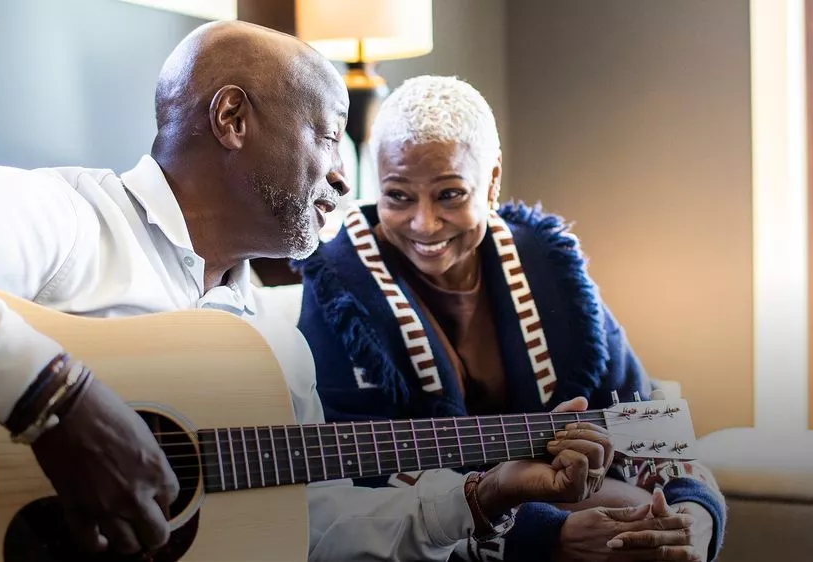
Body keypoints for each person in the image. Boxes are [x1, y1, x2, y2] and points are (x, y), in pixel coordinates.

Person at [0, 23, 627, 561]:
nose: (343, 174)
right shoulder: (77, 221)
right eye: (329, 136)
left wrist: (482, 494)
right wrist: (53, 402)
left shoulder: (272, 339)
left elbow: (311, 530)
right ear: (232, 119)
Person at [293, 75, 728, 562]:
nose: (424, 222)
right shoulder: (338, 288)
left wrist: (698, 517)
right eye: (397, 196)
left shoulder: (549, 266)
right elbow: (362, 475)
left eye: (450, 194)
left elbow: (645, 419)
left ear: (492, 179)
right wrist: (545, 536)